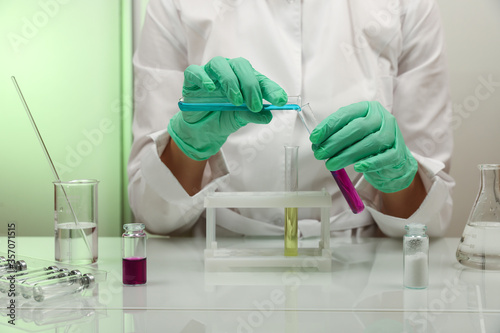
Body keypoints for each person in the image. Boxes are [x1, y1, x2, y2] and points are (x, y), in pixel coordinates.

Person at [128, 0, 454, 238]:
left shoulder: (411, 5)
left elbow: (428, 219)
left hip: (360, 265)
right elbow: (151, 210)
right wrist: (190, 144)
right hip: (220, 258)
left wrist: (397, 176)